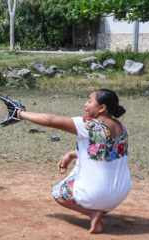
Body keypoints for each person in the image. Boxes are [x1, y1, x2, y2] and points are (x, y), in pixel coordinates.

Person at [16, 89, 131, 234]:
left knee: (58, 192)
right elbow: (103, 151)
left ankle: (93, 213)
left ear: (102, 108)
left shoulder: (90, 125)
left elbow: (50, 120)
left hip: (96, 194)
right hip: (120, 194)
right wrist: (71, 154)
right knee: (85, 162)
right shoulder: (120, 127)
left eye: (89, 101)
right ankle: (101, 207)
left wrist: (20, 114)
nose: (85, 104)